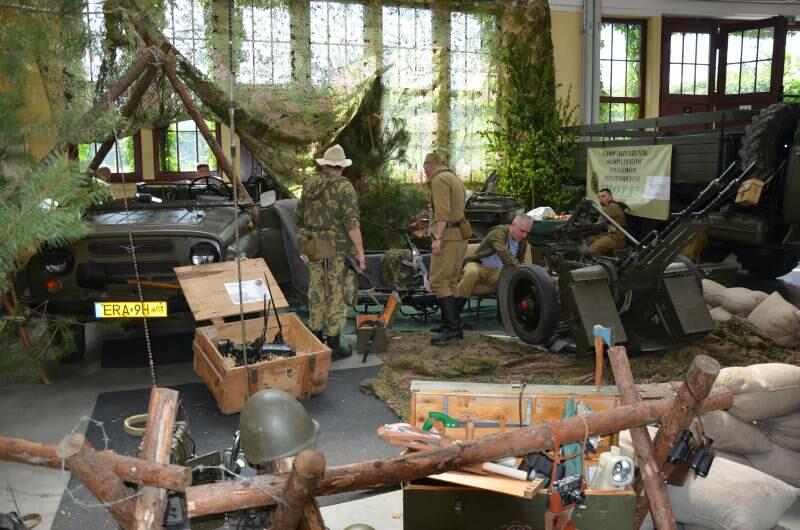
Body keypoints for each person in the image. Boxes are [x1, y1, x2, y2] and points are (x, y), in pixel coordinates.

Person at [295, 144, 366, 360]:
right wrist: (360, 252)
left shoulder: (309, 184)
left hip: (313, 247)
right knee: (337, 294)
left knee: (316, 289)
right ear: (341, 167)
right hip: (336, 248)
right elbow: (352, 223)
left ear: (325, 165)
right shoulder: (344, 187)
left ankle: (316, 338)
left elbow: (298, 217)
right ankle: (334, 344)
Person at [425, 152, 468, 344]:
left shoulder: (439, 180)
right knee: (451, 281)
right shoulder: (453, 178)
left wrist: (437, 237)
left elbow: (442, 213)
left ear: (429, 166)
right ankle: (452, 323)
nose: (425, 174)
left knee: (438, 281)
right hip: (459, 235)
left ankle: (452, 328)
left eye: (425, 169)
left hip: (448, 237)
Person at [456, 214, 532, 300]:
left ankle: (510, 306)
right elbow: (503, 252)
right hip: (480, 266)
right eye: (522, 231)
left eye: (527, 232)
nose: (524, 235)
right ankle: (455, 304)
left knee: (514, 278)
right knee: (472, 272)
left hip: (499, 273)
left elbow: (520, 260)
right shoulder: (498, 232)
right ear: (513, 225)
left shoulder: (522, 242)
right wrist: (519, 267)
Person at [586, 188, 627, 256]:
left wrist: (584, 227)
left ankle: (597, 262)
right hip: (611, 235)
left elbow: (598, 224)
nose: (600, 198)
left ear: (610, 197)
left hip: (616, 238)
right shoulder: (611, 206)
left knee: (593, 249)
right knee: (588, 240)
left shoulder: (611, 207)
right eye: (599, 197)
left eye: (603, 196)